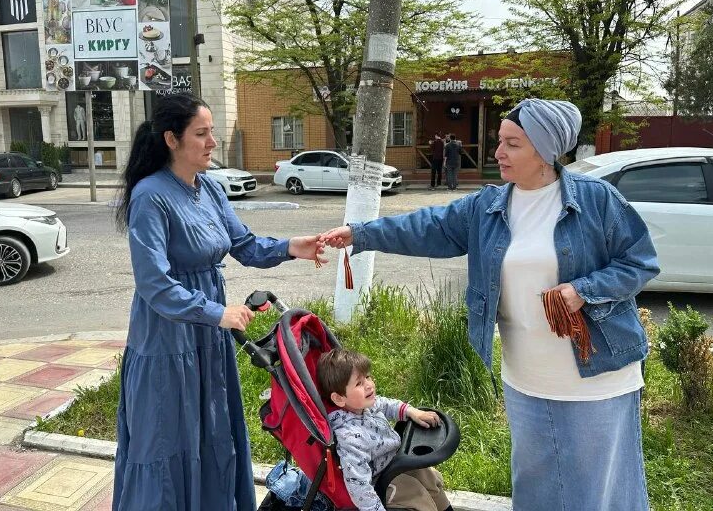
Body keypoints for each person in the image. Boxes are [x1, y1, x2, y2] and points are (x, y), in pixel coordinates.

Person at [321, 98, 660, 511]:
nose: (497, 152)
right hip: (527, 377)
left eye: (512, 144)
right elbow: (427, 226)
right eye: (500, 141)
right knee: (535, 487)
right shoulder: (489, 206)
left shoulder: (596, 200)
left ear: (545, 150)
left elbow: (639, 262)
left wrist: (582, 290)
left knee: (597, 491)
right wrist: (359, 234)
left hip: (597, 374)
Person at [112, 93, 326, 511]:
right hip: (167, 339)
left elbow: (243, 244)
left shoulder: (209, 187)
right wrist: (218, 312)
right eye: (202, 133)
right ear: (172, 139)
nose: (213, 142)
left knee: (213, 432)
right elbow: (154, 283)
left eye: (212, 132)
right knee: (167, 437)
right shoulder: (150, 196)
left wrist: (291, 247)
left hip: (210, 337)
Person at [317, 349, 452, 511]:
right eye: (359, 383)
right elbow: (359, 486)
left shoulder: (364, 406)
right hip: (382, 481)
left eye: (367, 377)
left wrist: (412, 412)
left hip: (395, 462)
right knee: (419, 497)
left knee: (431, 479)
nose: (368, 385)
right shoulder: (350, 437)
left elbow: (386, 404)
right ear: (339, 398)